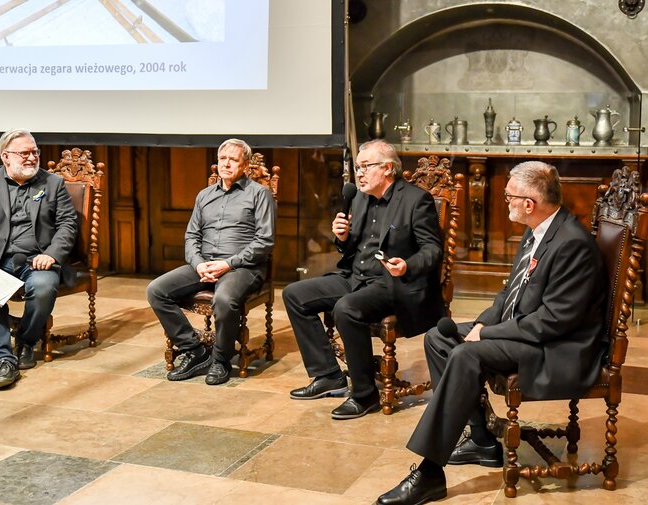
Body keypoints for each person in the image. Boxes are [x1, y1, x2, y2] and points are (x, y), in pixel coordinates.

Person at [377, 161, 606, 504]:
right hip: (530, 332)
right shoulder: (538, 229)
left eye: (509, 196)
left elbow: (555, 321)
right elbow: (508, 294)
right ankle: (483, 439)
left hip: (559, 348)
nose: (506, 202)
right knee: (440, 337)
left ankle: (428, 472)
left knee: (467, 353)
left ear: (529, 204)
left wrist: (487, 336)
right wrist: (485, 323)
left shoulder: (571, 243)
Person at [282, 139, 445, 420]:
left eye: (365, 167)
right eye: (357, 167)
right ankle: (328, 375)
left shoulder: (416, 200)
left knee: (347, 308)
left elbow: (433, 250)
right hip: (355, 276)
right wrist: (342, 237)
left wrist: (407, 265)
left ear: (387, 169)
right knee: (295, 294)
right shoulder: (358, 197)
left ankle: (364, 394)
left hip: (392, 282)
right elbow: (352, 247)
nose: (359, 173)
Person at [147, 138, 275, 386]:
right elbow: (191, 236)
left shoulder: (260, 194)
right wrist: (198, 265)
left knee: (224, 300)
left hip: (242, 267)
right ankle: (194, 350)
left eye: (233, 159)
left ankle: (220, 360)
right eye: (222, 159)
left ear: (245, 165)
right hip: (204, 265)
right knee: (156, 290)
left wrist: (228, 263)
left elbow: (265, 241)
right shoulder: (204, 195)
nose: (226, 164)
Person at [0, 129, 78, 390]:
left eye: (35, 152)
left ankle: (25, 340)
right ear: (6, 156)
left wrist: (52, 254)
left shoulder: (52, 183)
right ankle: (3, 361)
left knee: (44, 287)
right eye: (25, 153)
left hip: (38, 259)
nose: (32, 158)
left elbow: (68, 224)